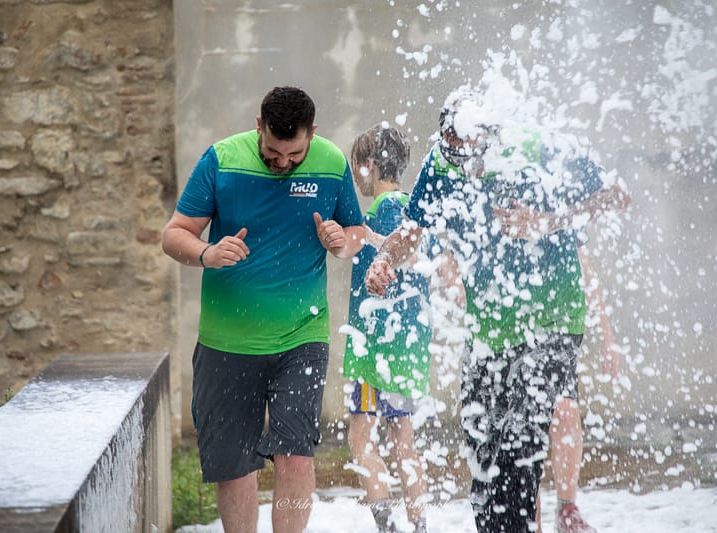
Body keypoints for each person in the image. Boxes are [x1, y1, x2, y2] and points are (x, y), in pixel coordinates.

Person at [365, 88, 630, 532]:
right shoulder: (440, 164)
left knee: (519, 450)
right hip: (489, 330)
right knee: (483, 448)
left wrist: (546, 221)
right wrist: (384, 258)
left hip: (551, 320)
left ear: (493, 134)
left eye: (475, 157)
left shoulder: (538, 146)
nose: (469, 168)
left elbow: (617, 195)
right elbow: (413, 228)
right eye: (457, 155)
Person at [161, 86, 366, 533]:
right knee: (236, 468)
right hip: (226, 342)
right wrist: (206, 253)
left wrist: (342, 243)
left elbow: (356, 230)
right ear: (259, 126)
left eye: (293, 154)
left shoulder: (332, 163)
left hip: (302, 337)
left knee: (295, 458)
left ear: (313, 134)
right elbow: (174, 233)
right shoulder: (221, 159)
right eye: (273, 151)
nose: (282, 162)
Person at [343, 124, 464, 533]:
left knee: (360, 436)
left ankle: (386, 526)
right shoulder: (415, 209)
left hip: (376, 345)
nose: (356, 174)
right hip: (408, 345)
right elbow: (438, 267)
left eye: (358, 166)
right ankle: (419, 525)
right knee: (403, 439)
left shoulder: (383, 212)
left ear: (372, 167)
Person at [539, 248, 625, 533]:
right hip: (519, 320)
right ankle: (529, 518)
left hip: (562, 322)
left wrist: (607, 336)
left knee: (565, 410)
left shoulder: (563, 208)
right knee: (525, 427)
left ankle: (566, 508)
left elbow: (586, 267)